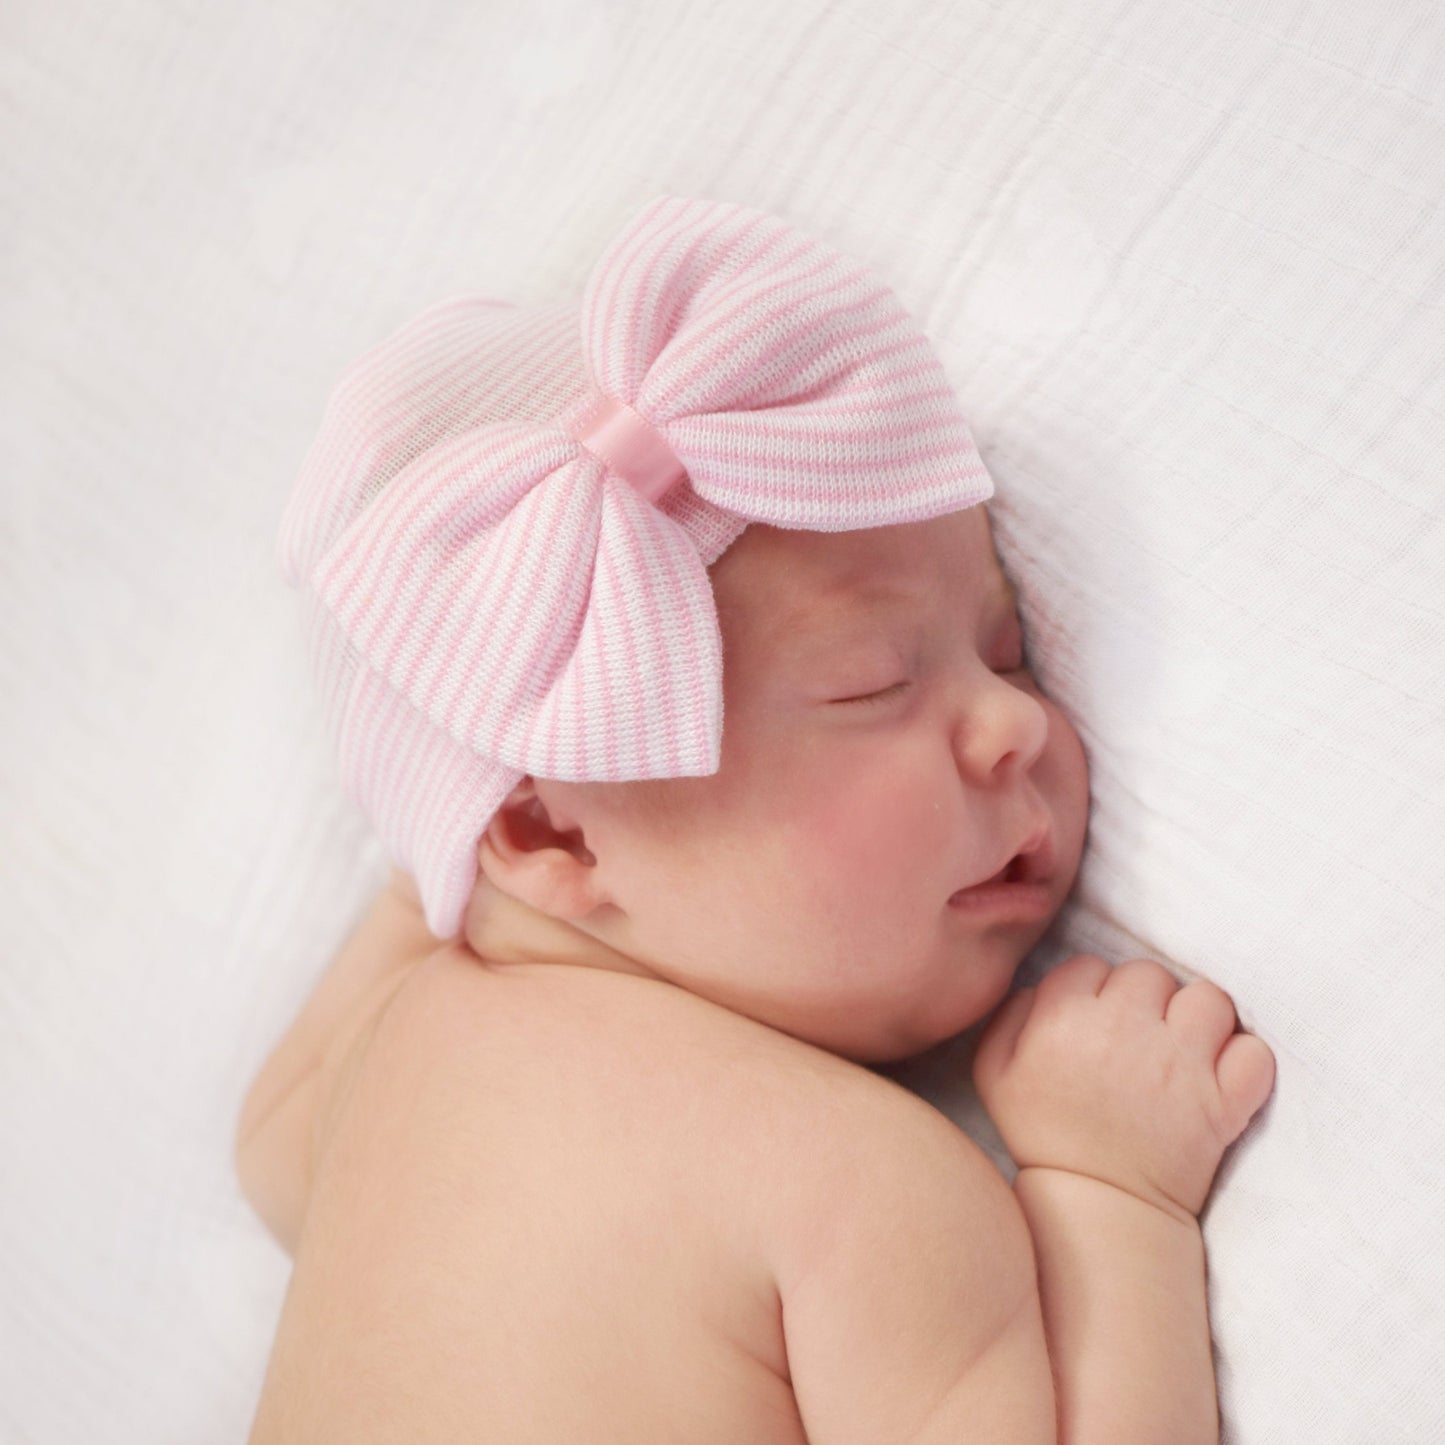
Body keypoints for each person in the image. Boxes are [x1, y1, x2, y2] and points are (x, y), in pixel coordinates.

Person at [236, 194, 1276, 1443]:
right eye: (870, 683)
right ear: (558, 838)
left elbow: (272, 1148)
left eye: (1005, 653)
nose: (1017, 724)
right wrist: (1111, 1192)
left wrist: (440, 851)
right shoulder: (855, 1191)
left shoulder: (383, 1061)